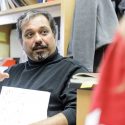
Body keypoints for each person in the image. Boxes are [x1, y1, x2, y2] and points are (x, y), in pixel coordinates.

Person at [0, 10, 88, 125]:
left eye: (44, 32)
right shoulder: (10, 73)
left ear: (54, 35)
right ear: (22, 42)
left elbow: (80, 110)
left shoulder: (76, 72)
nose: (37, 40)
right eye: (29, 34)